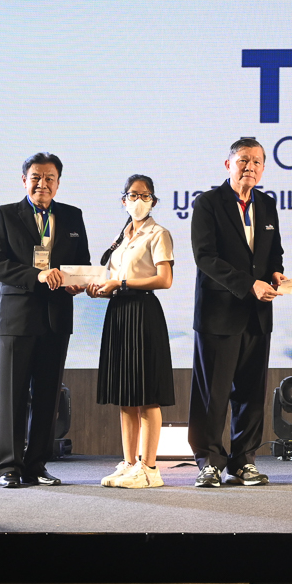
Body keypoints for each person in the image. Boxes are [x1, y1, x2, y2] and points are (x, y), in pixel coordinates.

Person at [0, 152, 90, 488]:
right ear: (24, 180)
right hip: (17, 319)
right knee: (12, 398)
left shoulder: (72, 216)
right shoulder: (4, 215)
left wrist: (78, 282)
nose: (42, 184)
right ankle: (9, 467)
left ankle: (36, 465)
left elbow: (82, 262)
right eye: (36, 177)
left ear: (58, 182)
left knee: (47, 398)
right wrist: (36, 275)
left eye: (49, 178)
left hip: (57, 319)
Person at [188, 137, 286, 488]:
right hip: (219, 314)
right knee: (212, 395)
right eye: (243, 160)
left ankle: (244, 461)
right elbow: (205, 257)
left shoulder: (267, 204)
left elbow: (274, 251)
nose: (250, 167)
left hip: (257, 314)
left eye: (257, 161)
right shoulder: (208, 203)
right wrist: (249, 284)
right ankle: (209, 462)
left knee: (251, 393)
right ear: (228, 164)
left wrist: (275, 273)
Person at [87, 174, 176, 489]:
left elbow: (165, 279)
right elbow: (112, 277)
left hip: (143, 311)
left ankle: (150, 468)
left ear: (153, 200)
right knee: (127, 395)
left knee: (147, 394)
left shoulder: (159, 233)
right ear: (123, 200)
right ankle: (129, 463)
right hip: (119, 312)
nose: (139, 200)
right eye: (133, 195)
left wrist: (120, 283)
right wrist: (100, 289)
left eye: (145, 195)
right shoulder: (122, 236)